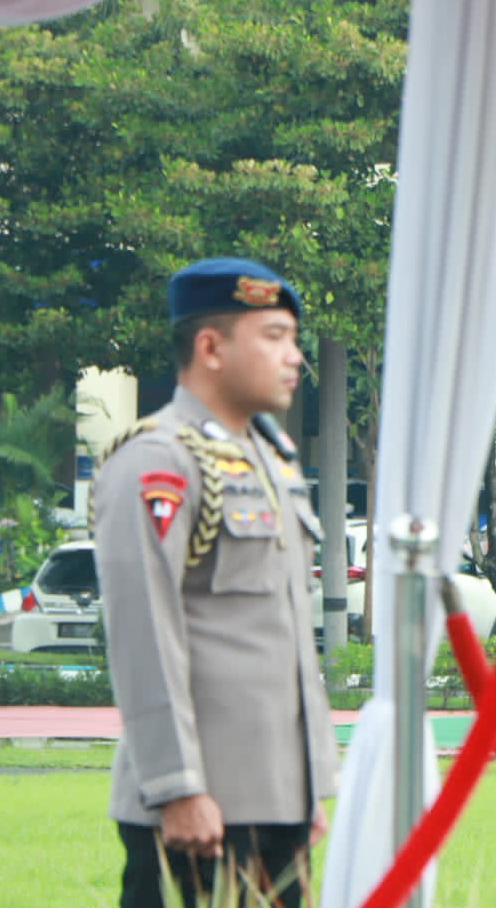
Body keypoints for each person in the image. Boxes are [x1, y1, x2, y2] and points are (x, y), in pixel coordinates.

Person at [92, 258, 337, 908]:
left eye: (294, 339)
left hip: (272, 803)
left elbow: (281, 640)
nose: (295, 357)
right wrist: (176, 787)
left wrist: (307, 788)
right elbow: (143, 633)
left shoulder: (271, 461)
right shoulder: (158, 461)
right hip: (195, 812)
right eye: (274, 336)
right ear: (210, 347)